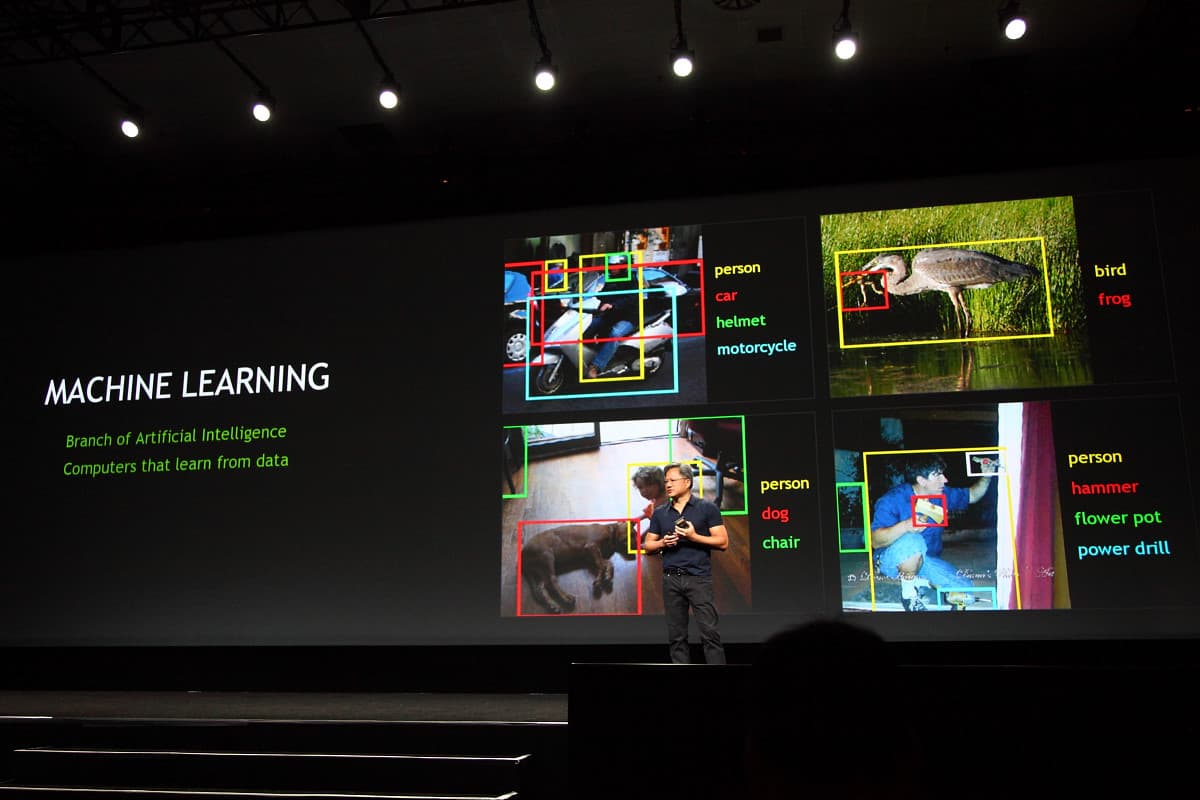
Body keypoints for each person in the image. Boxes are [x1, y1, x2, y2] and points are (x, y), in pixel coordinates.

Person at [870, 455, 992, 611]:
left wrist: (987, 476)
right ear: (921, 480)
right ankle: (909, 595)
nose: (945, 479)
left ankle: (921, 581)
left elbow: (972, 495)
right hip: (891, 560)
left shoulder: (941, 494)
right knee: (913, 540)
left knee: (965, 588)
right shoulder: (892, 500)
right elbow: (875, 541)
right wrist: (906, 526)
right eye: (938, 475)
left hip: (925, 559)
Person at [642, 462, 728, 663]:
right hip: (671, 580)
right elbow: (648, 546)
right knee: (677, 638)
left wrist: (693, 536)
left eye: (673, 480)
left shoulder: (707, 508)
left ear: (687, 482)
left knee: (710, 635)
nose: (668, 485)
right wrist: (663, 542)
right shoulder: (660, 513)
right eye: (666, 481)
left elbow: (723, 542)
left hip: (699, 579)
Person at [584, 257, 644, 378]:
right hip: (610, 315)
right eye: (611, 266)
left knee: (615, 333)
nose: (612, 268)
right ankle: (585, 354)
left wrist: (613, 305)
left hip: (628, 317)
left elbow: (631, 299)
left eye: (615, 266)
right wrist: (588, 297)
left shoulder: (632, 280)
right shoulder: (611, 279)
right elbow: (604, 294)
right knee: (589, 325)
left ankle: (596, 366)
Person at [631, 466, 667, 539]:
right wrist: (638, 519)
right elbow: (650, 511)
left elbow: (656, 528)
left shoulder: (664, 502)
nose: (644, 490)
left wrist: (640, 539)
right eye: (640, 487)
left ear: (660, 483)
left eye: (649, 485)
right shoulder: (657, 499)